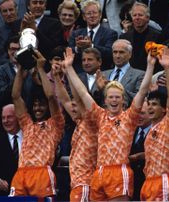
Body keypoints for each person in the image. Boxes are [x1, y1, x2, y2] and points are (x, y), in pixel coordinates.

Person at [63, 45, 155, 200]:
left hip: (119, 171)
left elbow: (142, 91)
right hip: (99, 172)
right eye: (111, 97)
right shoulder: (100, 116)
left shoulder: (129, 117)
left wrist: (151, 66)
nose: (114, 100)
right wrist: (69, 68)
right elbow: (82, 92)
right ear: (105, 100)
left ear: (123, 100)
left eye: (117, 97)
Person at [9, 50, 65, 198]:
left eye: (41, 105)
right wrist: (21, 68)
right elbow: (15, 96)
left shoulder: (56, 124)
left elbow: (51, 96)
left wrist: (41, 68)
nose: (37, 108)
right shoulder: (27, 124)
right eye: (34, 105)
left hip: (42, 173)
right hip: (21, 173)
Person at [54, 62, 98, 202]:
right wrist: (57, 78)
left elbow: (78, 97)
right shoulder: (79, 122)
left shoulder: (91, 124)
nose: (71, 108)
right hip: (77, 182)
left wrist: (69, 71)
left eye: (75, 106)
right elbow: (64, 99)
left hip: (86, 182)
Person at [140, 50, 169, 201]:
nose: (149, 108)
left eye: (154, 105)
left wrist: (167, 68)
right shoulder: (150, 129)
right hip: (148, 181)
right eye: (148, 104)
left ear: (164, 109)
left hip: (162, 180)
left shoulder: (168, 123)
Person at [68, 0, 118, 71]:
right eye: (88, 13)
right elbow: (68, 52)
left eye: (95, 13)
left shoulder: (110, 34)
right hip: (80, 73)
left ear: (100, 15)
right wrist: (78, 49)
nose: (92, 16)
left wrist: (91, 46)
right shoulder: (76, 34)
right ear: (84, 17)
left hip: (102, 72)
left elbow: (110, 53)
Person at [0, 104, 21, 196]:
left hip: (29, 195)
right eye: (3, 118)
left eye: (9, 117)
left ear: (18, 117)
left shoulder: (30, 138)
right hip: (5, 195)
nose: (5, 121)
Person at [120, 2, 163, 71]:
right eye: (134, 15)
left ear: (147, 18)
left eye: (140, 15)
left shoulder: (158, 36)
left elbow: (159, 60)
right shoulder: (124, 37)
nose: (137, 18)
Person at [102, 39, 145, 107]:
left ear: (130, 54)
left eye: (121, 52)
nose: (117, 56)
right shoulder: (103, 74)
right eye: (115, 52)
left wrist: (117, 89)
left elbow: (141, 98)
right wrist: (100, 89)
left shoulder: (140, 75)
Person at [0, 0, 21, 67]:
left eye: (11, 10)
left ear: (16, 10)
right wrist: (12, 62)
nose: (8, 14)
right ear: (1, 13)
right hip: (4, 72)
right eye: (5, 11)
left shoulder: (27, 29)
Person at [129, 101, 151, 201]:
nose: (138, 116)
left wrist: (140, 156)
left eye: (142, 113)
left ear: (151, 114)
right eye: (137, 113)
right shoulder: (130, 131)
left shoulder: (158, 131)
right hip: (132, 186)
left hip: (150, 185)